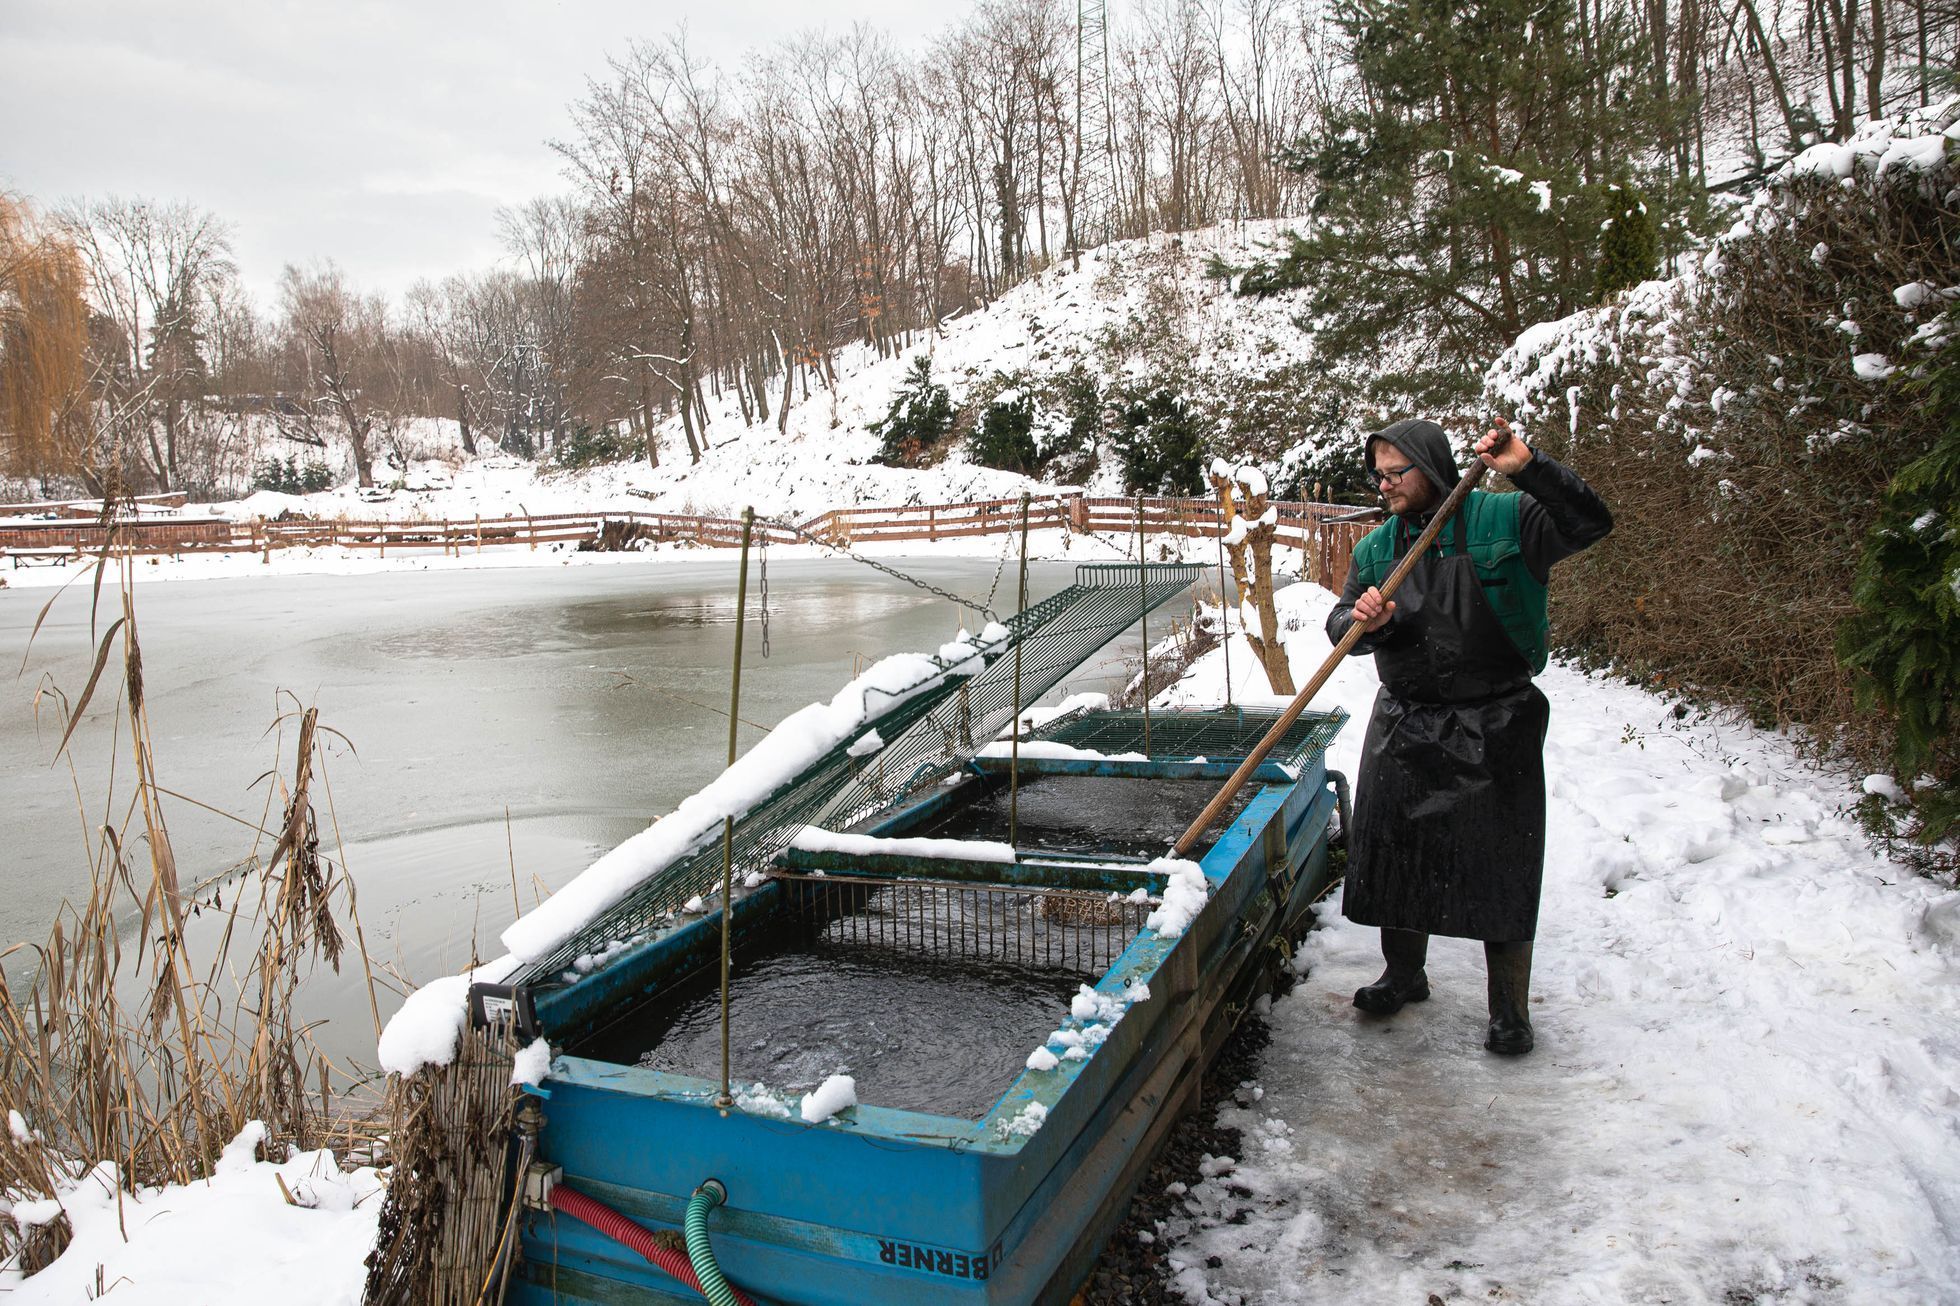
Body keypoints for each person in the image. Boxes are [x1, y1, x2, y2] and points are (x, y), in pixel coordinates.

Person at [1325, 415, 1612, 1054]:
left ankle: (1509, 1010)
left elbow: (1590, 523)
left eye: (1396, 473)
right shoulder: (1377, 549)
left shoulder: (1505, 520)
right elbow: (1338, 623)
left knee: (1501, 863)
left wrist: (1527, 466)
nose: (1384, 486)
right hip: (1405, 721)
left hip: (1495, 720)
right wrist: (1364, 621)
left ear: (1431, 468)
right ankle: (1404, 975)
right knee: (1396, 854)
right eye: (1378, 475)